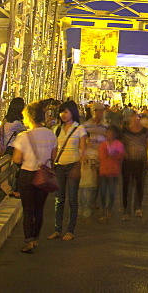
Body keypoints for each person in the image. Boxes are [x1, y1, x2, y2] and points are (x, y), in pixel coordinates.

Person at [12, 101, 59, 254]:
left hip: (27, 174)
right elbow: (53, 156)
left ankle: (28, 242)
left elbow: (17, 159)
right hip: (43, 175)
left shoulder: (23, 136)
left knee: (28, 210)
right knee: (39, 209)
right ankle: (36, 238)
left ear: (29, 117)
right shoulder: (50, 134)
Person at [48, 101, 87, 241]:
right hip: (59, 166)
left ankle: (70, 230)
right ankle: (57, 229)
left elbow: (83, 150)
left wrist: (79, 166)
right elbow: (53, 148)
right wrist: (51, 163)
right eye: (61, 112)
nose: (63, 115)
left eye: (66, 112)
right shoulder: (57, 129)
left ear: (72, 113)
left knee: (72, 199)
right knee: (59, 199)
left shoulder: (79, 129)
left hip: (72, 166)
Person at [121, 111, 148, 218]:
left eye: (138, 118)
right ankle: (126, 209)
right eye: (134, 118)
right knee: (126, 185)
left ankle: (138, 207)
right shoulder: (125, 131)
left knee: (140, 185)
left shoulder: (145, 132)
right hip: (127, 161)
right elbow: (121, 144)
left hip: (140, 162)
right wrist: (123, 153)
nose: (136, 120)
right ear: (130, 119)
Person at [80, 101, 107, 222]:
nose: (100, 113)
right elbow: (81, 141)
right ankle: (86, 207)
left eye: (102, 110)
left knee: (98, 184)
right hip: (89, 157)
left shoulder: (106, 127)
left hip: (101, 158)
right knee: (88, 183)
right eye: (97, 110)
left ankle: (93, 203)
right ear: (93, 112)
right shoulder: (85, 126)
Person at [98, 126, 124, 223]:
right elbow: (102, 157)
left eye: (112, 133)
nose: (110, 134)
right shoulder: (103, 145)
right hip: (103, 171)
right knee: (103, 192)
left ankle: (109, 210)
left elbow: (120, 156)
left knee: (112, 193)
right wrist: (113, 155)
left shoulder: (119, 144)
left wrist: (112, 155)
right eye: (108, 132)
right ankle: (104, 209)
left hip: (114, 172)